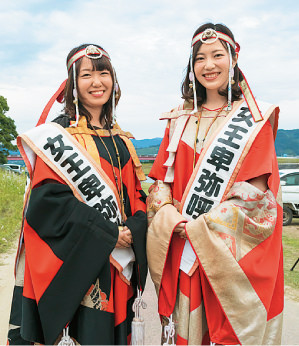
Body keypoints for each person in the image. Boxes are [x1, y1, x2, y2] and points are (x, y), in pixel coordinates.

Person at [147, 23, 283, 345]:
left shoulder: (252, 118)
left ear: (233, 58)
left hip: (224, 257)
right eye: (200, 58)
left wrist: (201, 226)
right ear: (192, 66)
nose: (209, 65)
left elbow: (256, 197)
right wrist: (168, 215)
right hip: (183, 247)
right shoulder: (178, 119)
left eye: (217, 55)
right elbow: (160, 182)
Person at [7, 44, 147, 345]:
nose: (97, 82)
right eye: (86, 75)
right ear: (73, 84)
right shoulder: (58, 137)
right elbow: (48, 201)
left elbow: (134, 193)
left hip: (117, 260)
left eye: (103, 73)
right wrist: (107, 232)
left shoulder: (121, 138)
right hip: (80, 260)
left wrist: (134, 226)